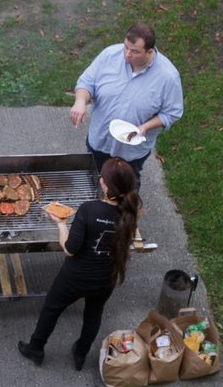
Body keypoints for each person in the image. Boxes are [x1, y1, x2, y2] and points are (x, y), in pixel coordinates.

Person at [18, 158, 141, 370]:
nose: (101, 179)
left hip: (75, 278)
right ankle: (81, 353)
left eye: (103, 177)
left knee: (51, 309)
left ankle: (36, 349)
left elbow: (69, 248)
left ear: (105, 185)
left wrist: (61, 224)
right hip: (106, 279)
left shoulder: (88, 210)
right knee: (93, 315)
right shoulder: (129, 213)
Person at [69, 23, 183, 186]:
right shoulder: (109, 55)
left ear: (150, 52)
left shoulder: (168, 77)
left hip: (130, 151)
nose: (127, 54)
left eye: (135, 51)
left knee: (126, 188)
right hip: (100, 139)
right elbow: (87, 82)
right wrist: (80, 101)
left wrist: (145, 127)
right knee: (95, 180)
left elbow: (172, 113)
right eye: (126, 47)